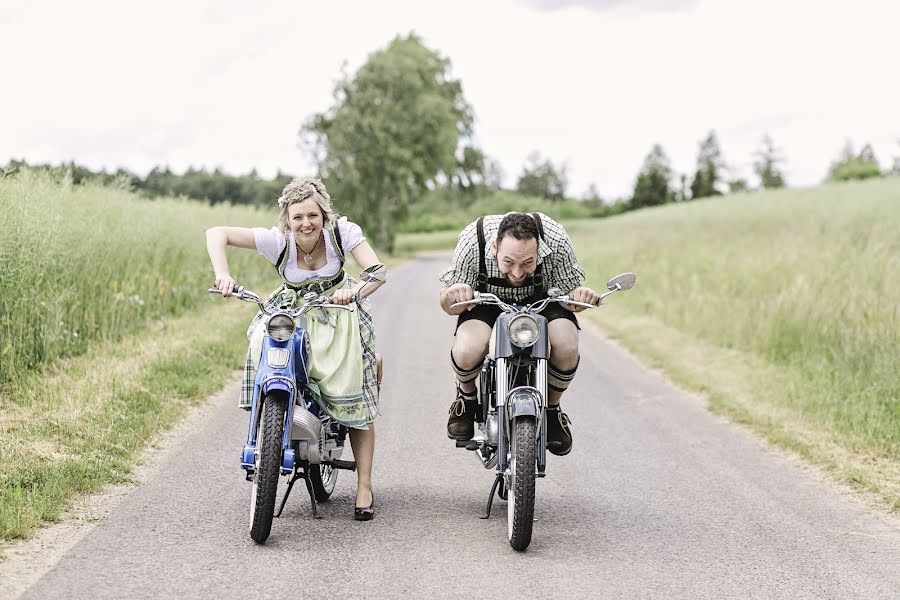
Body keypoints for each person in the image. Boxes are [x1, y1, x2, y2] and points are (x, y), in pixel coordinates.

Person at [206, 177, 385, 520]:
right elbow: (217, 232)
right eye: (298, 216)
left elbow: (377, 272)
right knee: (262, 338)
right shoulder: (277, 241)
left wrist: (357, 290)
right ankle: (271, 415)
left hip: (338, 309)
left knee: (354, 385)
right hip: (293, 310)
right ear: (287, 218)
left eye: (312, 215)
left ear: (324, 214)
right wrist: (222, 274)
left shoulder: (341, 233)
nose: (306, 223)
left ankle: (364, 486)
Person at [438, 212, 600, 456]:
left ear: (540, 249)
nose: (516, 273)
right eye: (508, 262)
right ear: (494, 247)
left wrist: (580, 297)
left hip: (544, 300)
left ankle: (552, 408)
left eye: (527, 263)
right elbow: (448, 305)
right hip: (486, 301)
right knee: (468, 348)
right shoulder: (474, 240)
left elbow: (569, 293)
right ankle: (466, 397)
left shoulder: (556, 239)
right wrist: (454, 295)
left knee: (566, 345)